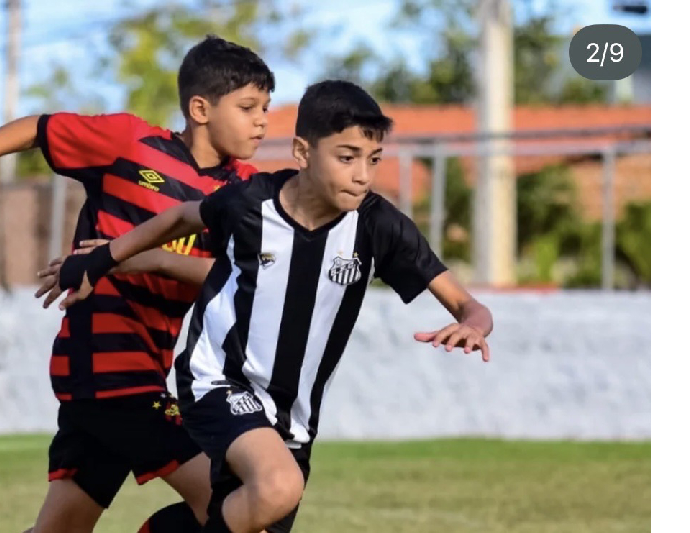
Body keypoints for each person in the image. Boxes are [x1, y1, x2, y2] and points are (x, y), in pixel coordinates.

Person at [0, 36, 276, 533]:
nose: (262, 121)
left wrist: (150, 258)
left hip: (142, 369)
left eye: (266, 109)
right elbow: (37, 128)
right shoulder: (130, 144)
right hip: (106, 369)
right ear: (199, 108)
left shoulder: (243, 193)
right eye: (249, 107)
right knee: (232, 502)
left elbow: (242, 277)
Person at [47, 80, 495, 533]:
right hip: (218, 383)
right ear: (303, 152)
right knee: (279, 486)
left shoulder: (380, 227)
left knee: (259, 512)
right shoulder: (251, 201)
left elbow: (467, 304)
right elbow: (183, 216)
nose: (363, 174)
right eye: (347, 157)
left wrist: (474, 325)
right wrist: (108, 256)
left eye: (373, 159)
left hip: (292, 419)